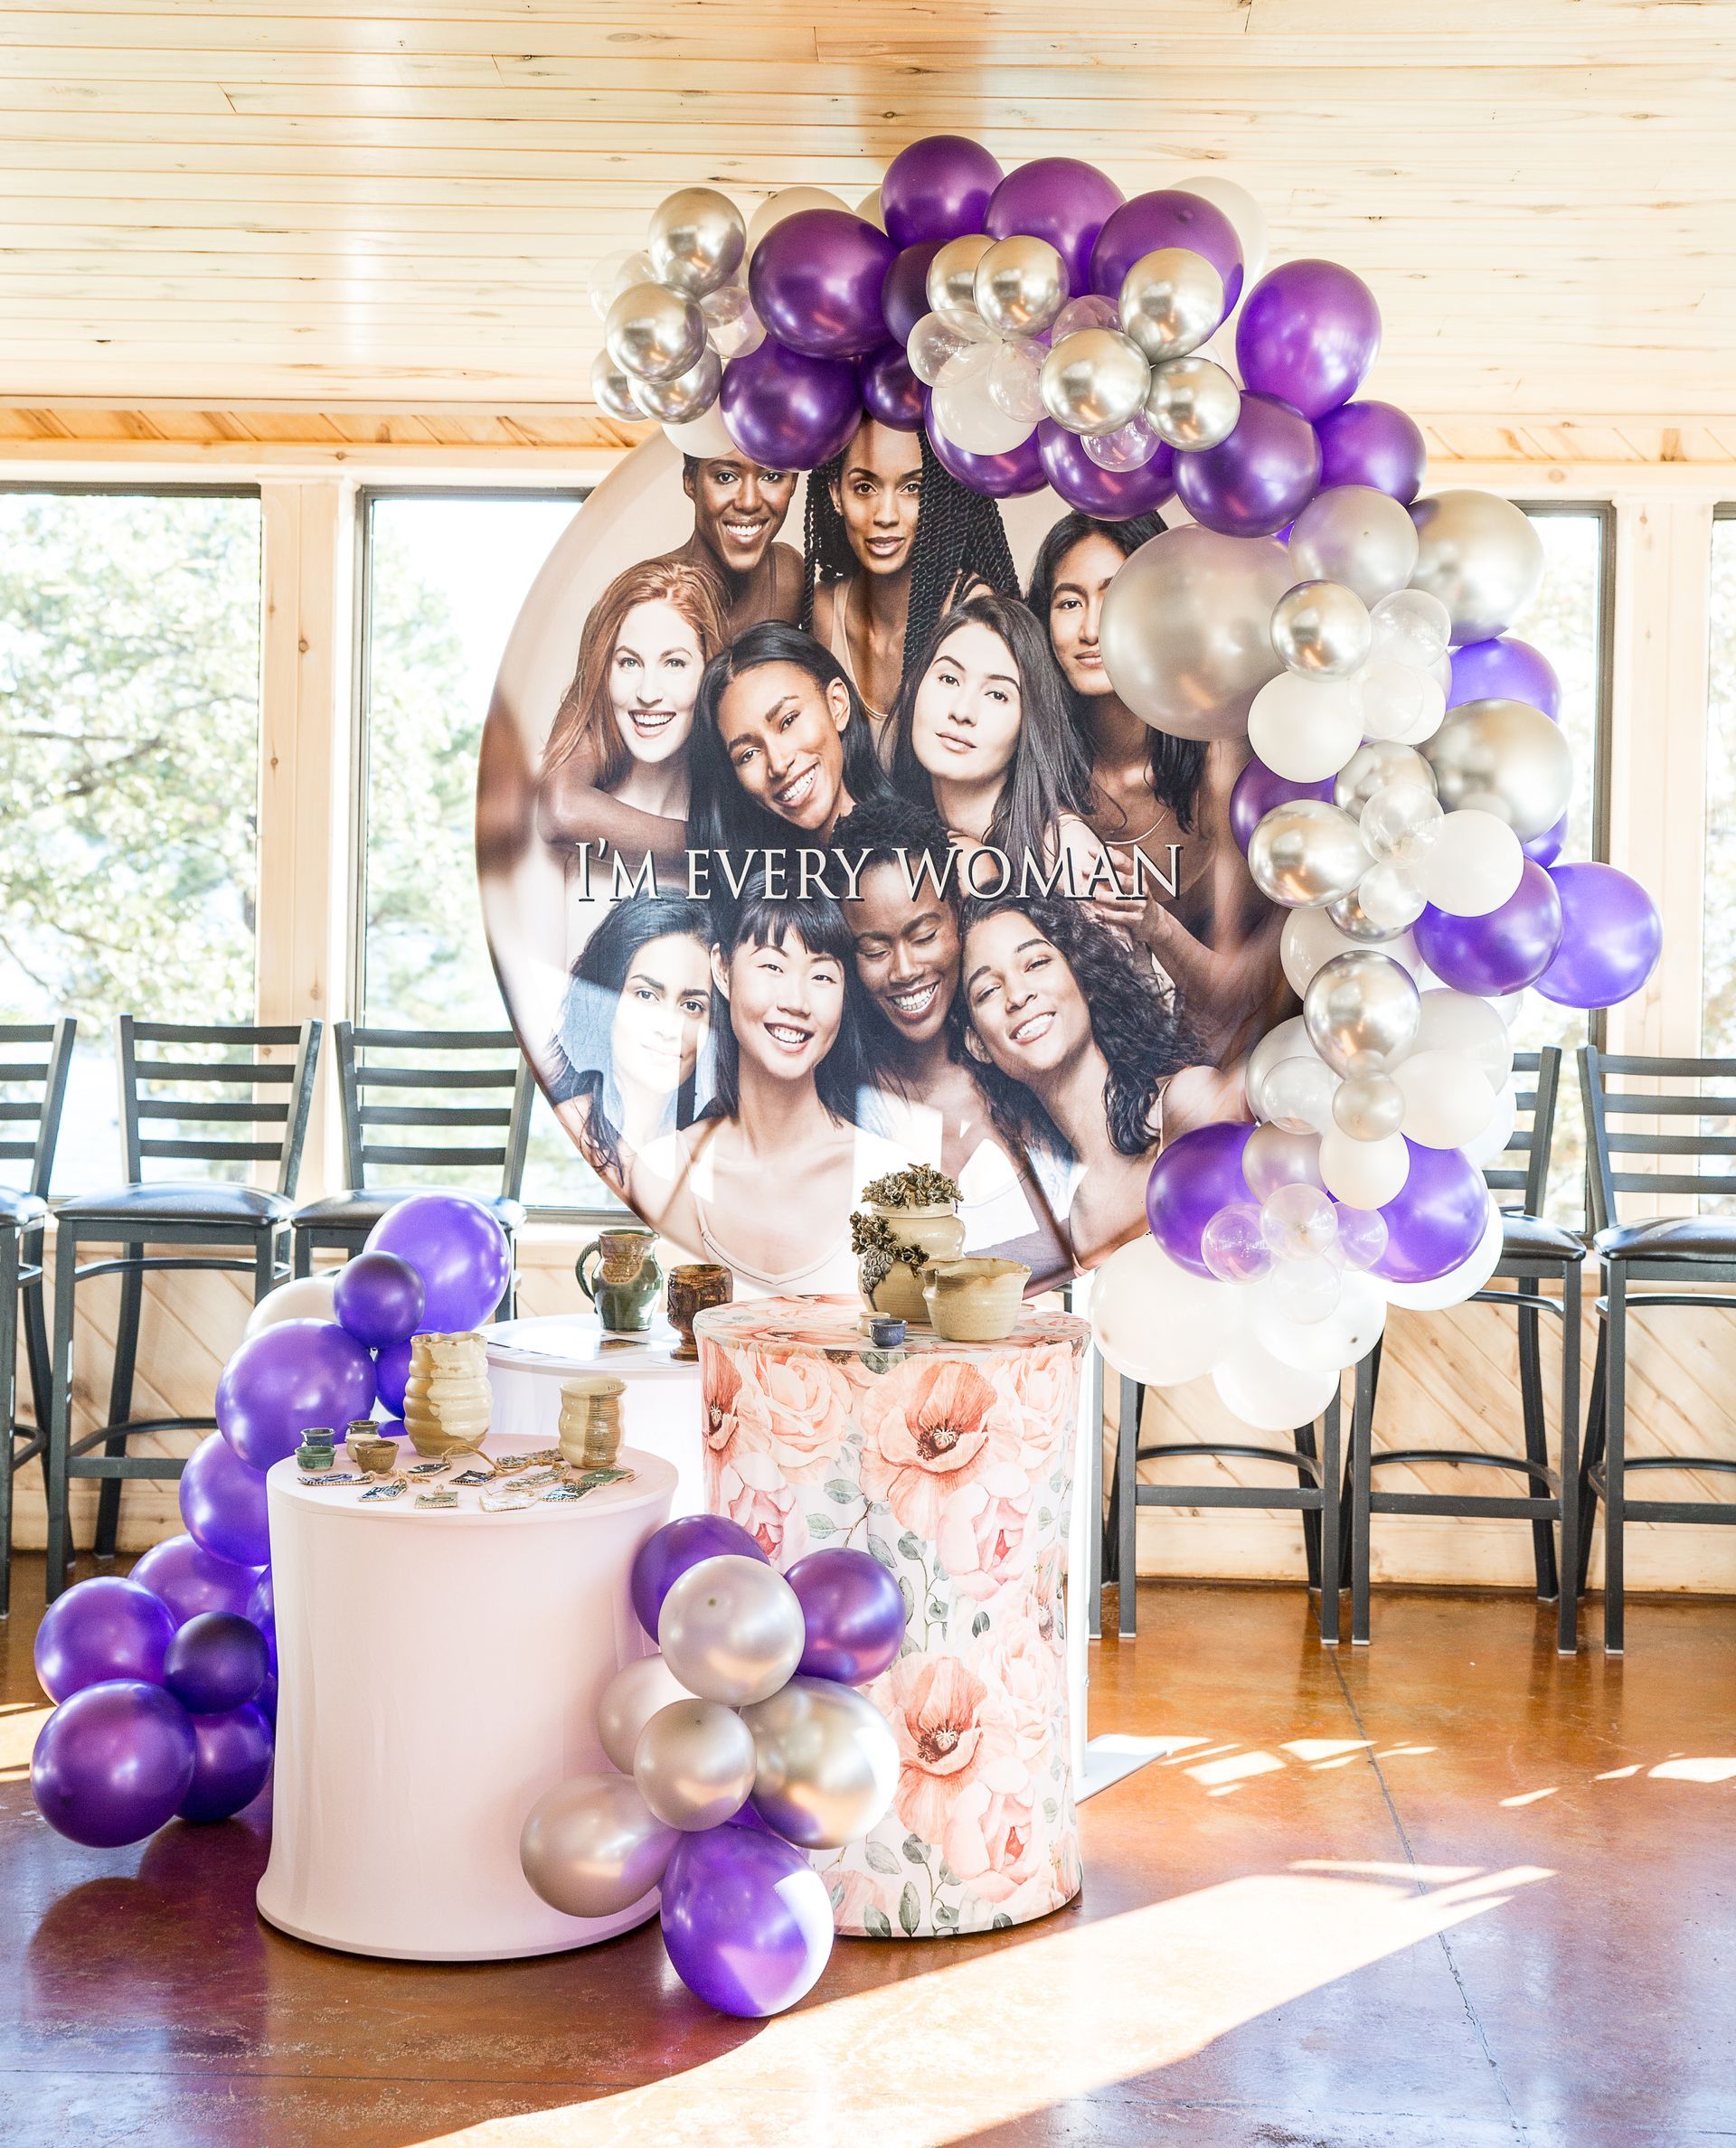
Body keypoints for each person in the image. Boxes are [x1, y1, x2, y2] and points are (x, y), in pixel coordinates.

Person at [1028, 510, 1284, 1060]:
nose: (1091, 629)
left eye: (1116, 597)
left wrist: (1156, 927)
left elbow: (1246, 995)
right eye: (1069, 603)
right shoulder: (1040, 774)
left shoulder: (1221, 761)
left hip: (1235, 1063)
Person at [832, 792, 1072, 1281]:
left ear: (958, 914)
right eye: (874, 950)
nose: (904, 970)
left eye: (924, 936)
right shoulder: (842, 1102)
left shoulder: (1028, 1053)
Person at [630, 877, 912, 1292]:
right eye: (772, 967)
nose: (796, 1002)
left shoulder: (894, 1179)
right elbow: (679, 1331)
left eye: (822, 976)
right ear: (722, 970)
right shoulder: (665, 1173)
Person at [954, 893, 1243, 1269]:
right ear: (978, 1044)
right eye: (988, 991)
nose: (1018, 995)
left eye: (1036, 963)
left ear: (1083, 979)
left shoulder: (1188, 1106)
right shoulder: (1074, 1230)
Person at [803, 419, 1020, 745]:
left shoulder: (970, 610)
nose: (886, 515)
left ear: (938, 497)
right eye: (865, 487)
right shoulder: (823, 609)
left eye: (912, 488)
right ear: (836, 493)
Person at [889, 590, 1117, 900]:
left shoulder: (1065, 849)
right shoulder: (905, 823)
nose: (962, 711)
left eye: (997, 695)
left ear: (1028, 724)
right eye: (949, 679)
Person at [537, 557, 730, 872]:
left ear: (708, 669)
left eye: (674, 663)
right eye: (629, 662)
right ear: (605, 672)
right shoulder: (555, 833)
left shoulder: (737, 816)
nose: (648, 693)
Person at [544, 894, 714, 1198]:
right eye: (646, 995)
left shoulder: (713, 1148)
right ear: (605, 1001)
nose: (669, 1028)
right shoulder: (560, 1131)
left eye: (691, 1005)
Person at [687, 622, 897, 856]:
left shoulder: (895, 862)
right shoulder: (765, 868)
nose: (778, 764)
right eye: (748, 754)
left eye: (788, 721)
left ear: (836, 704)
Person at [669, 451, 803, 636]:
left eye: (771, 476)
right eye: (725, 477)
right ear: (690, 481)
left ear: (793, 482)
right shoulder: (648, 596)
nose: (749, 503)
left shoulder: (788, 574)